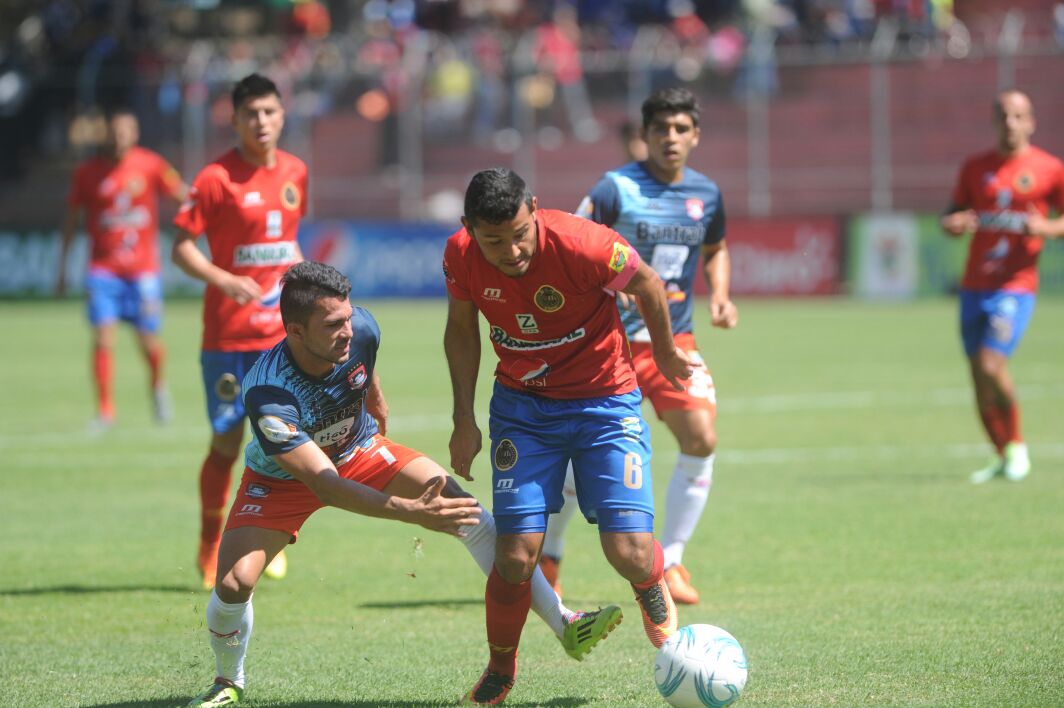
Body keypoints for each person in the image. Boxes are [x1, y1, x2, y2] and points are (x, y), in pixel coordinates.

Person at [186, 261, 621, 707]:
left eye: (348, 317)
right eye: (333, 325)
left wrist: (377, 403)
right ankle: (228, 682)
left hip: (358, 450)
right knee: (236, 583)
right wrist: (409, 511)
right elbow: (325, 484)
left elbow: (363, 364)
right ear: (295, 332)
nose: (347, 331)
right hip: (283, 479)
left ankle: (566, 624)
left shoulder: (362, 329)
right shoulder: (269, 395)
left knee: (464, 509)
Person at [445, 168, 695, 705]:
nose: (511, 251)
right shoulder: (459, 255)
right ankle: (500, 670)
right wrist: (463, 419)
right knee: (514, 556)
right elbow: (461, 329)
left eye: (519, 233)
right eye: (493, 241)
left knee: (628, 551)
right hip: (523, 410)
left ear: (534, 208)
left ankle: (651, 586)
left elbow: (648, 283)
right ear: (469, 229)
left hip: (605, 403)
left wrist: (667, 351)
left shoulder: (585, 244)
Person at [538, 87, 737, 606]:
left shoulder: (707, 195)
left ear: (695, 135)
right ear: (644, 135)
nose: (670, 138)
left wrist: (719, 294)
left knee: (701, 437)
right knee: (581, 463)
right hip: (604, 346)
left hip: (673, 338)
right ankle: (551, 556)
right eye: (660, 129)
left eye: (680, 129)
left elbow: (715, 248)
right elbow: (571, 241)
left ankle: (670, 559)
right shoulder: (614, 189)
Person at [173, 73, 303, 589]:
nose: (261, 122)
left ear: (282, 114)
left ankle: (267, 544)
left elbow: (287, 245)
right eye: (251, 114)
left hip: (281, 337)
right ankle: (209, 547)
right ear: (236, 119)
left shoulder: (296, 172)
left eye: (269, 112)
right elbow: (180, 246)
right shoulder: (214, 179)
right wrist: (224, 278)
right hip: (228, 337)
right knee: (227, 440)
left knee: (284, 443)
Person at [940, 89, 1064, 484]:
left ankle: (1018, 446)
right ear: (994, 122)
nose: (1009, 123)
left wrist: (1045, 228)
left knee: (993, 365)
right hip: (975, 284)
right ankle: (1002, 453)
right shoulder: (975, 168)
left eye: (1017, 116)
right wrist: (954, 224)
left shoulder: (1049, 169)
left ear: (1031, 122)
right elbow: (951, 215)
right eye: (1002, 116)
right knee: (977, 375)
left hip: (1016, 285)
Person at [57, 108, 187, 430]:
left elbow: (183, 195)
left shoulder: (151, 165)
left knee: (148, 341)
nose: (119, 138)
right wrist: (62, 267)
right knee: (103, 339)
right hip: (102, 271)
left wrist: (206, 213)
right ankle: (105, 411)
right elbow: (72, 221)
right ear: (106, 135)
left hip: (143, 272)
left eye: (125, 132)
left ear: (135, 134)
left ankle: (157, 388)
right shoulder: (87, 173)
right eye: (114, 132)